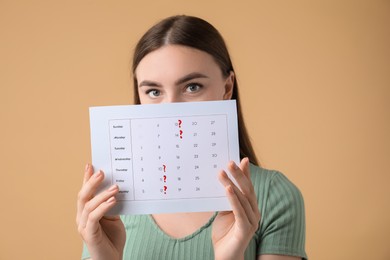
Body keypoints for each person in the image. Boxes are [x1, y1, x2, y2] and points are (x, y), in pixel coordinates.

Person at [76, 15, 307, 260]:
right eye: (154, 91)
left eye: (192, 87)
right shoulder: (112, 201)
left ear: (227, 88)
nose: (171, 109)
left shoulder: (274, 196)